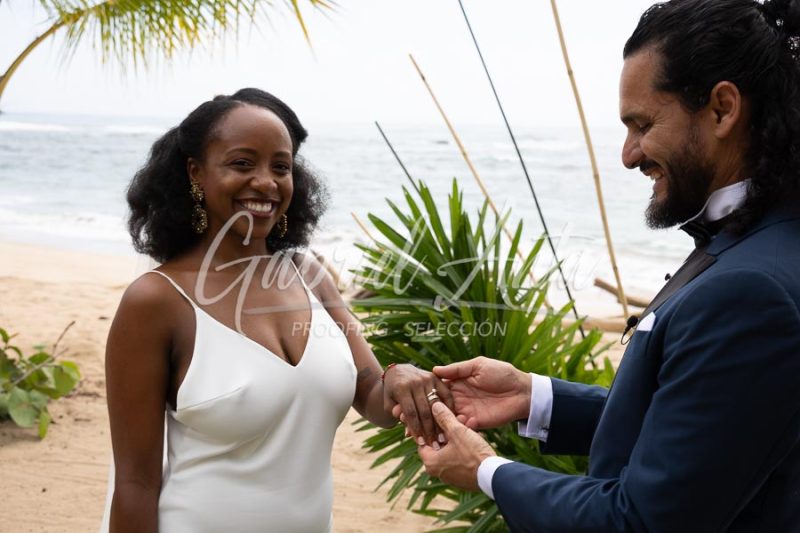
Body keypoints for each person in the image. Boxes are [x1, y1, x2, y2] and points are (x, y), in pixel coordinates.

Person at [415, 0, 800, 530]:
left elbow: (640, 522)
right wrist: (534, 397)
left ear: (722, 109)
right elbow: (704, 429)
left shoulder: (751, 291)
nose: (628, 154)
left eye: (642, 124)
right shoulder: (764, 242)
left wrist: (486, 470)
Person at [103, 88, 452, 533]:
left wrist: (400, 379)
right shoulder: (157, 301)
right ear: (195, 172)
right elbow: (135, 484)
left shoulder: (309, 277)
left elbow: (374, 397)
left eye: (281, 167)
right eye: (242, 163)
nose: (266, 182)